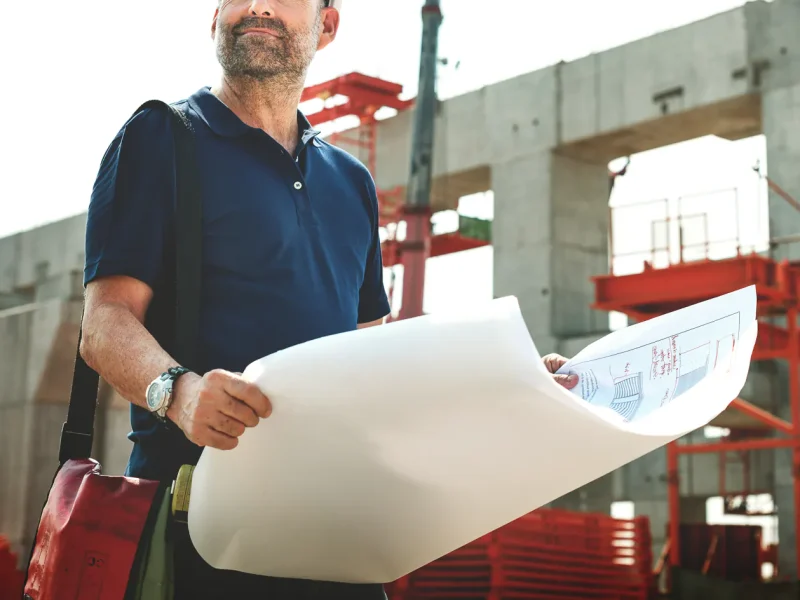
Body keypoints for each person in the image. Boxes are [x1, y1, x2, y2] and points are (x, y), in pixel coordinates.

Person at [79, 0, 579, 597]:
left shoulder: (351, 183)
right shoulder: (161, 137)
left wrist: (510, 379)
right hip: (203, 534)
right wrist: (179, 393)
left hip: (338, 534)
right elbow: (104, 323)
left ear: (329, 25)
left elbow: (379, 363)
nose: (260, 5)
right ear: (214, 18)